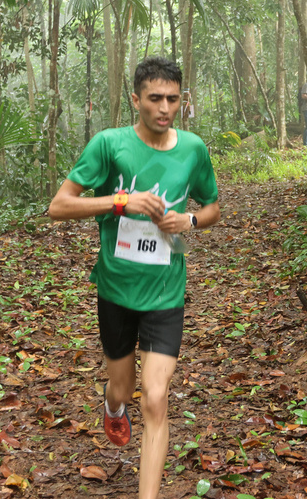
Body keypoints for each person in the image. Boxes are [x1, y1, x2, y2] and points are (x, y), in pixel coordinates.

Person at [48, 56, 220, 499]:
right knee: (124, 388)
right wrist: (120, 201)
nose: (165, 108)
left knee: (156, 397)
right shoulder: (109, 144)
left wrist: (192, 222)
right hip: (116, 289)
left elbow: (213, 207)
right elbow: (59, 205)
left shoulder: (194, 150)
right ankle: (112, 403)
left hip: (166, 291)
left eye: (173, 99)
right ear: (136, 100)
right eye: (155, 99)